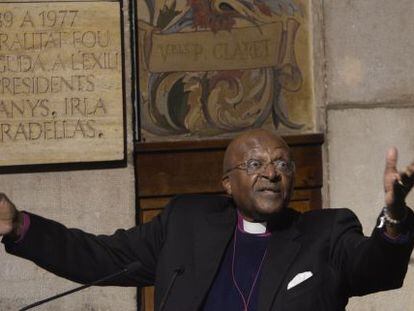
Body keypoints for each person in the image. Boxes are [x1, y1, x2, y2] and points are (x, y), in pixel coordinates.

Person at [1, 129, 414, 311]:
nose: (271, 173)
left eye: (282, 164)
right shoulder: (185, 225)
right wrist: (20, 226)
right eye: (254, 163)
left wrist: (394, 216)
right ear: (227, 184)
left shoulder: (326, 232)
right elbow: (101, 257)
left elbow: (375, 269)